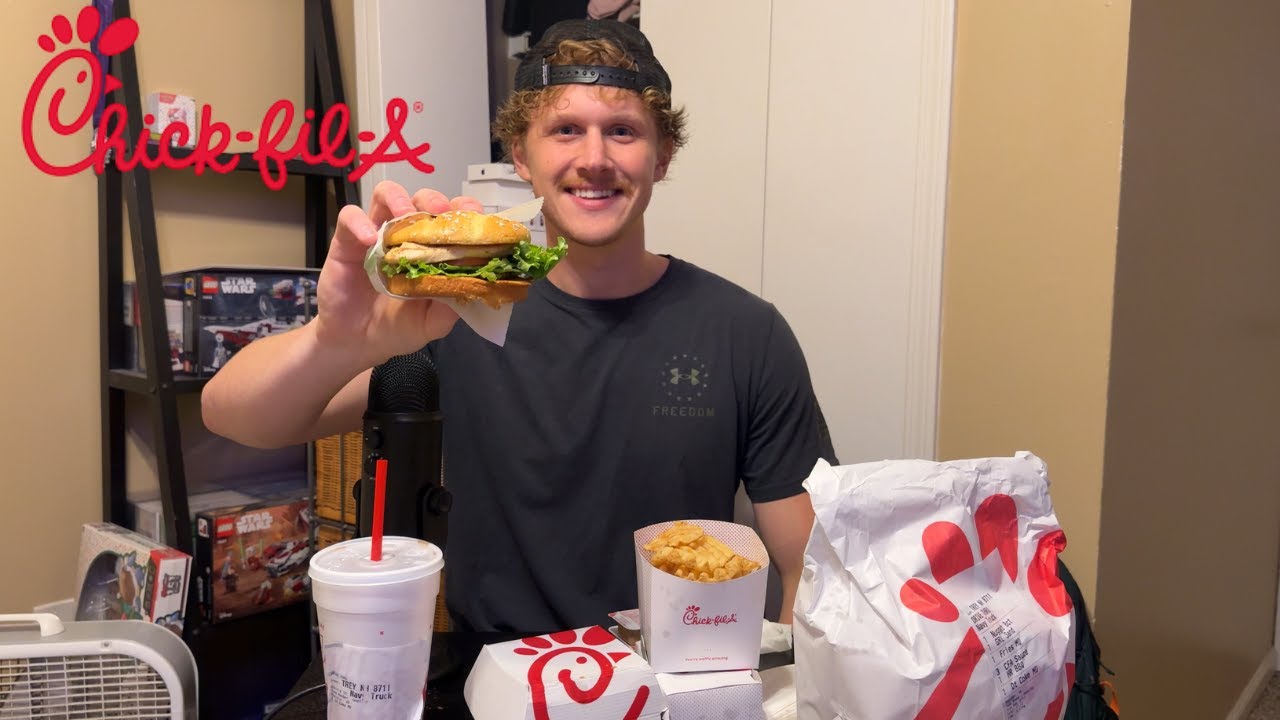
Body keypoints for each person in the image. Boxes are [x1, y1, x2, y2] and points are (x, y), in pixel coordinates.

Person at [202, 18, 836, 634]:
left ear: (662, 157)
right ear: (521, 156)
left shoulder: (746, 333)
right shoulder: (454, 314)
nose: (594, 159)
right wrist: (333, 343)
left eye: (622, 131)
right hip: (501, 682)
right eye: (564, 130)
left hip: (679, 679)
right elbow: (235, 417)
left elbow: (811, 566)